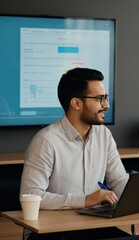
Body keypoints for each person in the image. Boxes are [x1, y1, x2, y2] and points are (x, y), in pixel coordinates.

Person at [20, 68, 130, 239]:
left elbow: (119, 180)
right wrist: (84, 200)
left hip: (91, 226)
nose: (106, 105)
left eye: (105, 98)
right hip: (52, 231)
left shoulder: (104, 135)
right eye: (100, 99)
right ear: (76, 103)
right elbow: (31, 195)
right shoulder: (46, 141)